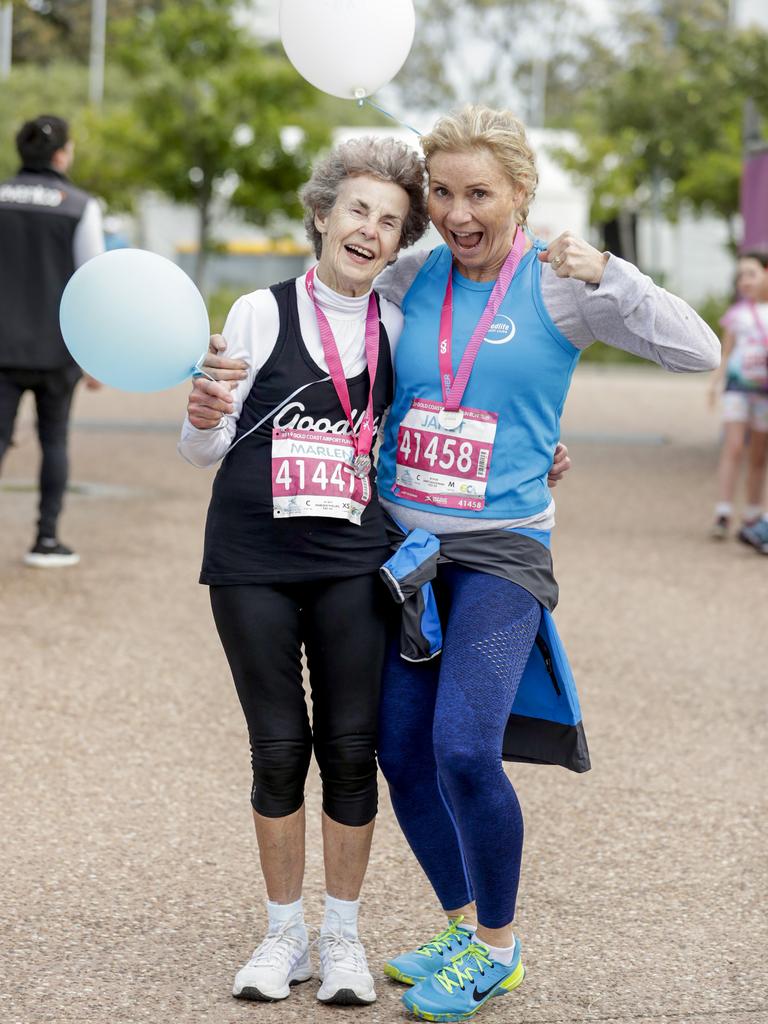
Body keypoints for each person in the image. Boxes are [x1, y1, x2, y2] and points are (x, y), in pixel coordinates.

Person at [360, 105, 719, 1022]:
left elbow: (697, 349)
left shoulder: (562, 286)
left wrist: (614, 271)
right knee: (399, 755)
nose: (457, 212)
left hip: (502, 553)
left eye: (478, 193)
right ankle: (458, 920)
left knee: (465, 748)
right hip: (405, 549)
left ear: (522, 194)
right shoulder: (408, 275)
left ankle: (497, 950)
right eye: (440, 192)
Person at [178, 137, 432, 1006]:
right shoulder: (257, 310)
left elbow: (430, 437)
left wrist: (535, 455)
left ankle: (344, 939)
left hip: (352, 563)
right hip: (251, 559)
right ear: (321, 214)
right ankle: (283, 933)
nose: (369, 230)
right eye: (357, 209)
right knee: (279, 748)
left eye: (390, 222)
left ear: (399, 247)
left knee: (351, 751)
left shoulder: (400, 331)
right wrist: (204, 411)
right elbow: (202, 447)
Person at [0, 114, 104, 567]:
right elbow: (93, 280)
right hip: (57, 350)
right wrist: (95, 356)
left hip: (1, 348)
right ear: (61, 153)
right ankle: (45, 540)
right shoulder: (79, 205)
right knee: (54, 441)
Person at [708, 252, 768, 554]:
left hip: (764, 393)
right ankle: (723, 511)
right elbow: (726, 352)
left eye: (752, 274)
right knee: (733, 447)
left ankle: (754, 513)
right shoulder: (736, 315)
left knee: (759, 454)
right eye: (740, 275)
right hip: (737, 389)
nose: (745, 281)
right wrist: (714, 384)